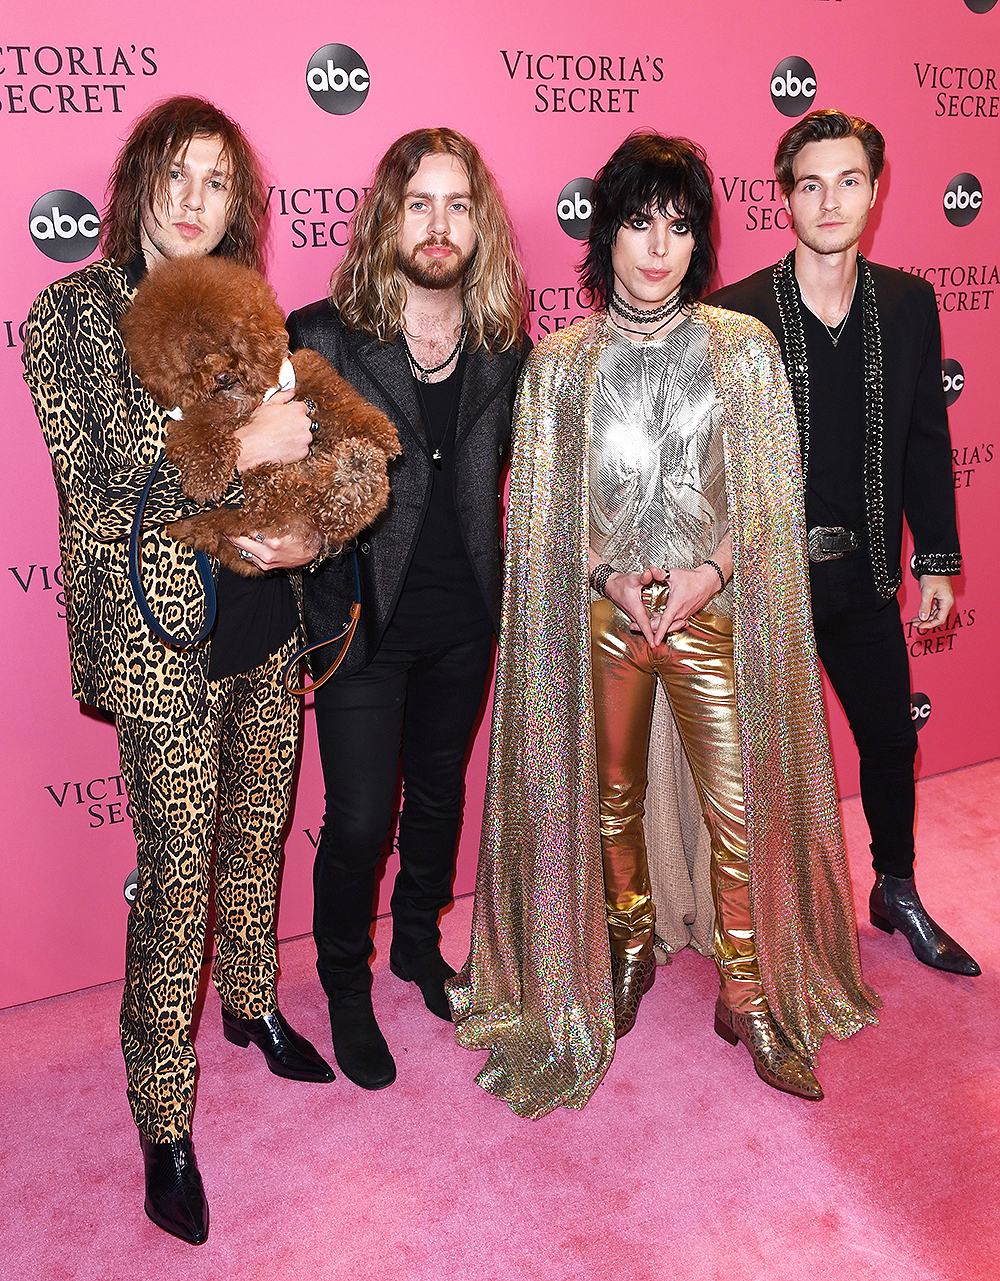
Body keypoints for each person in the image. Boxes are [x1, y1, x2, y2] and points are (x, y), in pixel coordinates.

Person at [448, 132, 880, 1120]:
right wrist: (607, 576)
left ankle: (748, 992)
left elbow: (768, 503)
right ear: (606, 231)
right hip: (604, 620)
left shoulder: (742, 350)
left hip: (709, 615)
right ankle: (629, 949)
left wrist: (710, 575)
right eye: (639, 222)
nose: (657, 247)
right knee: (609, 802)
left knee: (741, 810)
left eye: (679, 228)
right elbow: (542, 519)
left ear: (700, 242)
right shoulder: (560, 366)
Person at [23, 96, 334, 1247]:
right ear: (138, 182)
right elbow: (103, 475)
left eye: (218, 180)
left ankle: (250, 1006)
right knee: (175, 875)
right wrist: (244, 444)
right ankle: (163, 1116)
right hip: (160, 643)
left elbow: (300, 464)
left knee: (258, 835)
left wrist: (303, 532)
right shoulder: (69, 314)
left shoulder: (247, 312)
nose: (196, 200)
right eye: (177, 174)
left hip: (261, 620)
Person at [285, 128, 530, 1091]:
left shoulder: (508, 348)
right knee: (356, 820)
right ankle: (344, 981)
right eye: (419, 203)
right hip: (359, 619)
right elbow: (280, 486)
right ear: (388, 216)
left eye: (457, 205)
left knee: (437, 795)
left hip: (465, 616)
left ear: (480, 224)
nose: (438, 224)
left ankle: (418, 942)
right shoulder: (322, 337)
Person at [710, 109, 979, 977]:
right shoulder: (735, 314)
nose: (830, 201)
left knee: (891, 742)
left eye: (849, 181)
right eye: (811, 184)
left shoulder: (908, 303)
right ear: (785, 197)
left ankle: (896, 888)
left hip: (864, 577)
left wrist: (936, 558)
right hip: (764, 587)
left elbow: (925, 439)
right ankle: (766, 916)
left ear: (875, 190)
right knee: (768, 764)